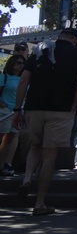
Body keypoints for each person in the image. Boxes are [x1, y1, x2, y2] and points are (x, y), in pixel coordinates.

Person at [13, 28, 77, 215]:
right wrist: (75, 103)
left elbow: (24, 80)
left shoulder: (41, 50)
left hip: (34, 106)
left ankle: (26, 180)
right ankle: (40, 202)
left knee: (35, 145)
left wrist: (18, 109)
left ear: (60, 37)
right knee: (50, 154)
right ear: (74, 39)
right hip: (61, 109)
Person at [0, 46, 27, 176]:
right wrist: (4, 107)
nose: (21, 65)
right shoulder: (4, 77)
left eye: (23, 63)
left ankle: (7, 163)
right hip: (5, 111)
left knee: (13, 137)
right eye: (19, 63)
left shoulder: (25, 79)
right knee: (2, 138)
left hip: (18, 112)